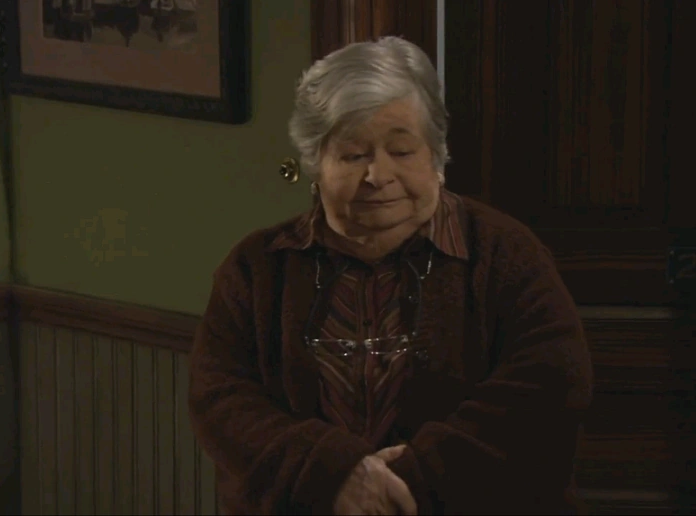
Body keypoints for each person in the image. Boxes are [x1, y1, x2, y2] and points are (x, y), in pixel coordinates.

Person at [188, 36, 593, 515]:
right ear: (315, 165)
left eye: (402, 151)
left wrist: (404, 484)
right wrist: (333, 475)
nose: (377, 176)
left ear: (436, 157)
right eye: (353, 155)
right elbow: (220, 399)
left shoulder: (506, 255)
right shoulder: (257, 267)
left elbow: (548, 388)